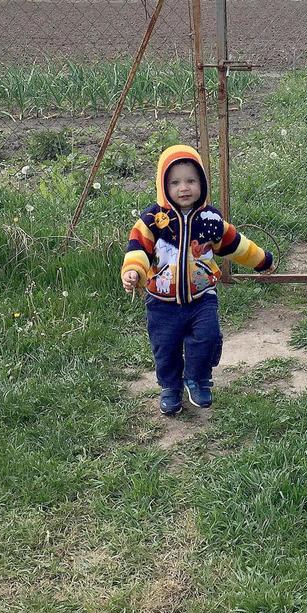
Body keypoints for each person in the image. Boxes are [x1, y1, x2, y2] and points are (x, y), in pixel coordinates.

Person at [121, 144, 274, 415]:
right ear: (163, 185)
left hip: (202, 298)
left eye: (191, 180)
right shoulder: (153, 220)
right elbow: (138, 248)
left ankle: (198, 378)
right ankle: (171, 387)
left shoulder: (210, 220)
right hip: (161, 300)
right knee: (165, 346)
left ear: (201, 183)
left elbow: (236, 245)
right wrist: (133, 270)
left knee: (207, 337)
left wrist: (262, 260)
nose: (184, 188)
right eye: (175, 182)